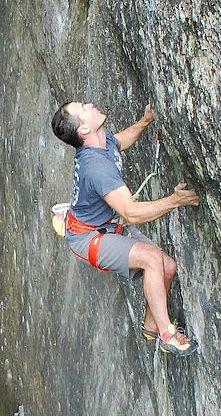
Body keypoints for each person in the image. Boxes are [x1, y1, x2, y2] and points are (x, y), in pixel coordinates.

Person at [51, 100, 200, 357]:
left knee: (168, 267)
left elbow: (120, 141)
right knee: (153, 260)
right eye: (83, 109)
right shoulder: (97, 168)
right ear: (84, 130)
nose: (89, 104)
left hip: (102, 227)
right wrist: (175, 200)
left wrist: (145, 121)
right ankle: (168, 335)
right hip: (88, 238)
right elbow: (131, 212)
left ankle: (152, 324)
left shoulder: (101, 141)